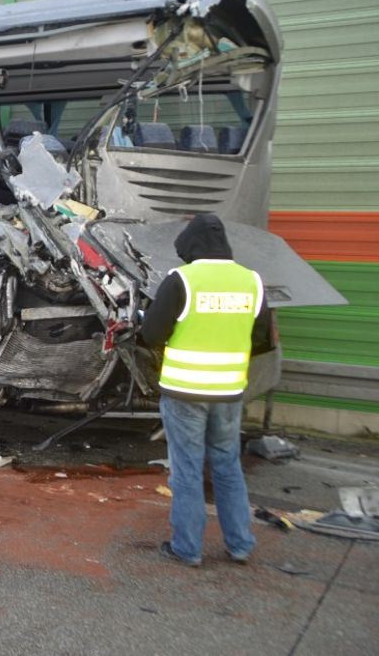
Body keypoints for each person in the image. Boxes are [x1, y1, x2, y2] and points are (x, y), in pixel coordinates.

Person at [139, 213, 274, 567]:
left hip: (185, 393)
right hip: (229, 394)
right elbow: (262, 340)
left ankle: (187, 548)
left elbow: (151, 334)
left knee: (186, 470)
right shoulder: (251, 281)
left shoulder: (182, 280)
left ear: (191, 245)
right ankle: (241, 544)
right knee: (228, 466)